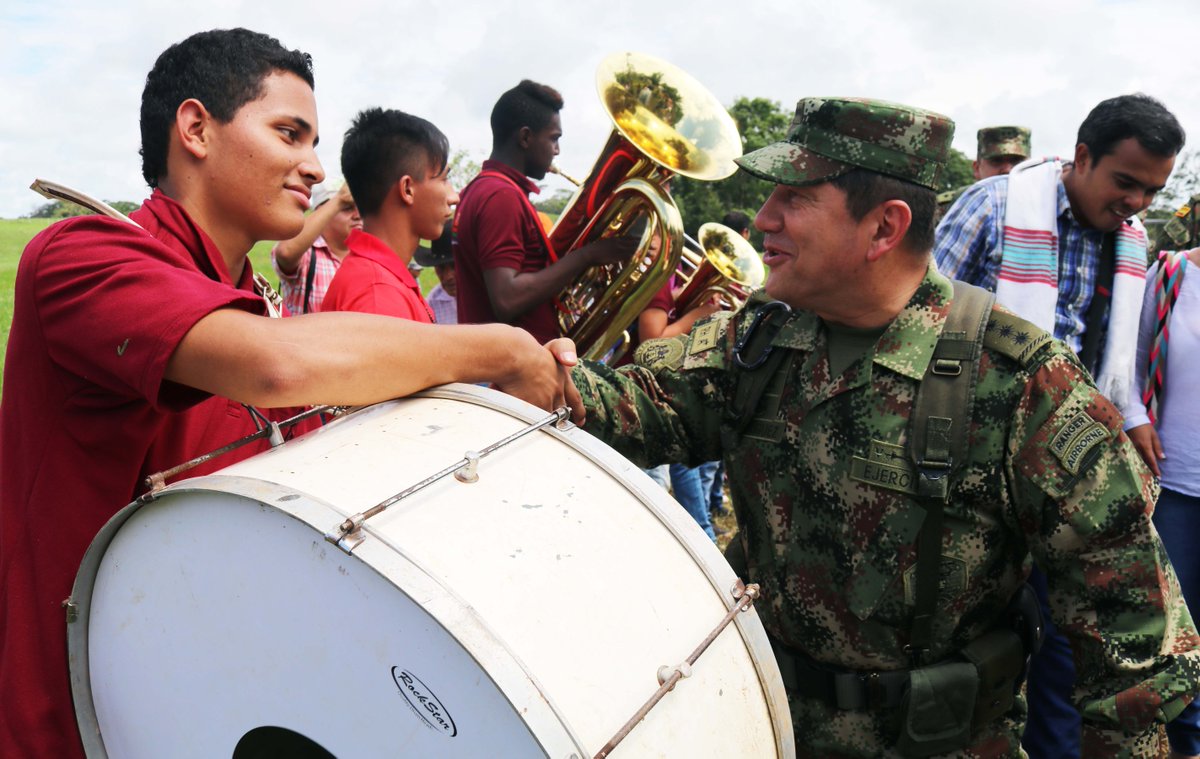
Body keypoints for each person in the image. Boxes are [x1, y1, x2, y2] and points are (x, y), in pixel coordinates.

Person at [560, 96, 1200, 756]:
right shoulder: (761, 340)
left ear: (884, 228)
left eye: (795, 197)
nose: (764, 218)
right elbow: (629, 406)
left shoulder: (1020, 386)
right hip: (761, 725)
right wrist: (521, 362)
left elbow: (1134, 643)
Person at [0, 28, 577, 758]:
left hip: (205, 706)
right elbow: (275, 367)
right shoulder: (79, 254)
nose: (312, 166)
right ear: (196, 129)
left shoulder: (251, 299)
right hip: (68, 723)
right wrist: (499, 348)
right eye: (288, 133)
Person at [934, 93, 1186, 757]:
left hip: (1070, 475)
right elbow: (916, 318)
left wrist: (1130, 417)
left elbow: (1115, 357)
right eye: (1125, 182)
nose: (1136, 203)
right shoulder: (992, 207)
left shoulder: (1133, 244)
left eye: (1152, 191)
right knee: (970, 638)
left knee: (1070, 649)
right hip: (975, 466)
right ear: (1081, 157)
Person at [453, 79, 634, 343]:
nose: (557, 150)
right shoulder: (500, 195)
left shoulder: (486, 188)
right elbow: (507, 298)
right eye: (554, 138)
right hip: (508, 373)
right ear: (525, 137)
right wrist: (587, 256)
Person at [1126, 247, 1200, 758]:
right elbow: (1128, 367)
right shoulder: (1173, 275)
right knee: (1174, 634)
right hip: (1174, 486)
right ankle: (1184, 743)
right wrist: (1137, 419)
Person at [321, 108, 456, 322]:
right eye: (443, 179)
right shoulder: (378, 297)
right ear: (408, 189)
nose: (453, 196)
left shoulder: (381, 279)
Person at [270, 180, 360, 314]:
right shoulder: (308, 254)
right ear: (322, 212)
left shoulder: (366, 255)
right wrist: (339, 199)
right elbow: (285, 252)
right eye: (347, 208)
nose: (358, 216)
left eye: (360, 208)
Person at [935, 126, 1032, 214]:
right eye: (996, 161)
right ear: (977, 168)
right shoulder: (947, 208)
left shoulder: (1045, 207)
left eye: (1016, 161)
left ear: (1032, 167)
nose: (1007, 170)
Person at [418, 220, 458, 324]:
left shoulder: (489, 294)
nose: (448, 276)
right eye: (441, 268)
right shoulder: (432, 305)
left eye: (454, 266)